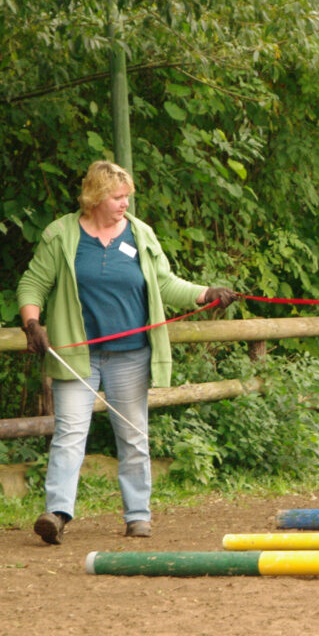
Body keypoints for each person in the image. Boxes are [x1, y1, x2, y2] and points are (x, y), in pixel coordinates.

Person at [16, 160, 238, 544]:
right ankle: (57, 513)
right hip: (77, 355)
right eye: (118, 197)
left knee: (134, 435)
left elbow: (166, 284)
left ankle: (138, 516)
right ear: (96, 197)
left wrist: (207, 294)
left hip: (131, 355)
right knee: (69, 434)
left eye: (127, 197)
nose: (125, 204)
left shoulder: (142, 235)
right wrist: (32, 323)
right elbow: (33, 283)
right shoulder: (61, 234)